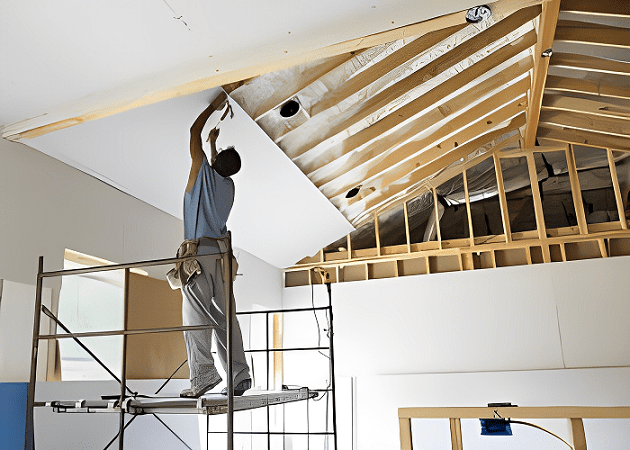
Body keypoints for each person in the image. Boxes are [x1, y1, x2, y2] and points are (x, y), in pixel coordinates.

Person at [178, 94, 251, 398]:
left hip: (197, 261)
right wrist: (212, 144)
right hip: (221, 262)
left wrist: (213, 106)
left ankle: (204, 376)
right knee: (225, 318)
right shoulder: (229, 187)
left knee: (195, 318)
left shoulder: (201, 173)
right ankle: (239, 375)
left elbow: (192, 132)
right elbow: (214, 166)